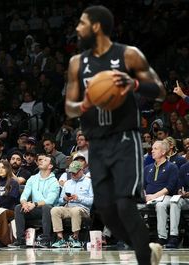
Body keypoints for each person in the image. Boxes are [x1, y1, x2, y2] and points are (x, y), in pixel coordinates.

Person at [64, 5, 166, 264]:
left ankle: (144, 258)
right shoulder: (77, 63)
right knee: (107, 212)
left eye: (82, 23)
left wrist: (134, 84)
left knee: (124, 205)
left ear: (96, 26)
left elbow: (160, 90)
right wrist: (85, 104)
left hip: (124, 139)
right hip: (96, 142)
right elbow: (69, 107)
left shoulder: (128, 54)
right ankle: (147, 249)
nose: (77, 28)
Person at [8, 154, 60, 248]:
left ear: (50, 166)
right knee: (18, 207)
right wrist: (24, 203)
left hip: (49, 210)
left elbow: (50, 200)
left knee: (46, 207)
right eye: (41, 159)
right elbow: (24, 194)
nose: (41, 161)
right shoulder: (33, 178)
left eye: (44, 160)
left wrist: (34, 204)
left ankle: (46, 240)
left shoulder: (54, 182)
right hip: (34, 208)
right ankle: (21, 240)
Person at [141, 140, 178, 245]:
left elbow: (169, 188)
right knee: (130, 204)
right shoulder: (147, 168)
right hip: (148, 197)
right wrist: (144, 195)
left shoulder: (172, 167)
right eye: (152, 149)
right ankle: (133, 237)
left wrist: (153, 196)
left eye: (155, 149)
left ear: (163, 152)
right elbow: (142, 186)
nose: (152, 151)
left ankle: (162, 237)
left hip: (165, 197)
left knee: (160, 205)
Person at [50, 161, 93, 248]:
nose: (73, 175)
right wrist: (65, 199)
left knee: (75, 210)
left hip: (83, 209)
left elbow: (92, 201)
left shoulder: (89, 182)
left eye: (75, 172)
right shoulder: (67, 183)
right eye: (71, 173)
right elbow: (60, 200)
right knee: (55, 210)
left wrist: (79, 198)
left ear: (81, 171)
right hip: (68, 207)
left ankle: (75, 238)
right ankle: (60, 238)